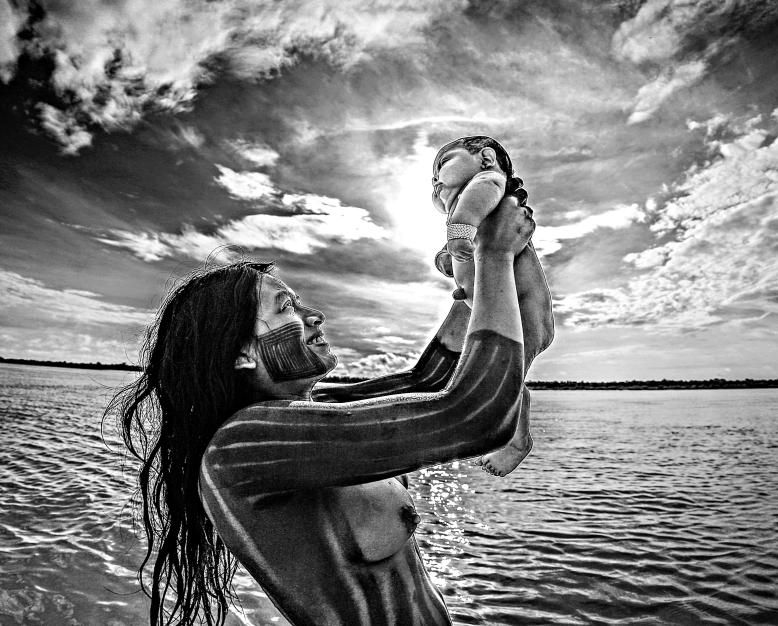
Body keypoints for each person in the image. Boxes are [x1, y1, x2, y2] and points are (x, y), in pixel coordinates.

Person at [107, 196, 534, 625]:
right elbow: (473, 418)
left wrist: (471, 283)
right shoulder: (243, 446)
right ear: (240, 353)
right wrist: (494, 253)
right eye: (287, 308)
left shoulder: (317, 414)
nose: (317, 315)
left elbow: (427, 381)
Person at [427, 135, 554, 476]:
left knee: (502, 379)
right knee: (502, 378)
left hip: (524, 310)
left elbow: (474, 204)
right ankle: (502, 429)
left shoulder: (488, 182)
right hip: (496, 311)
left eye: (443, 164)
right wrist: (449, 258)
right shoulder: (476, 212)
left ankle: (516, 438)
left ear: (485, 157)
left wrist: (458, 232)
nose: (436, 178)